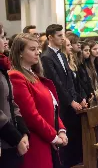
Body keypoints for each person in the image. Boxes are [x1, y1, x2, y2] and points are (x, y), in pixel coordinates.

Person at [9, 34, 68, 168]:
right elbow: (30, 115)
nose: (38, 52)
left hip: (47, 139)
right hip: (36, 142)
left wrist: (61, 130)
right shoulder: (16, 77)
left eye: (38, 48)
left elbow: (52, 107)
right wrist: (53, 136)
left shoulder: (33, 75)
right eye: (32, 49)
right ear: (20, 53)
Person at [40, 24, 83, 167]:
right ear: (50, 37)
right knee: (63, 139)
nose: (62, 39)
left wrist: (77, 99)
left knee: (72, 136)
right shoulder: (46, 57)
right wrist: (70, 101)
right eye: (59, 36)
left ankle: (74, 162)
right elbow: (56, 83)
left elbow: (69, 80)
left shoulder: (62, 55)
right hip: (60, 103)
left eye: (62, 35)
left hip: (69, 103)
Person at [0, 24, 30, 167]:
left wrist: (23, 133)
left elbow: (12, 102)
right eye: (1, 37)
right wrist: (16, 138)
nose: (5, 41)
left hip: (11, 141)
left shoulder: (3, 67)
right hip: (5, 140)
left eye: (5, 36)